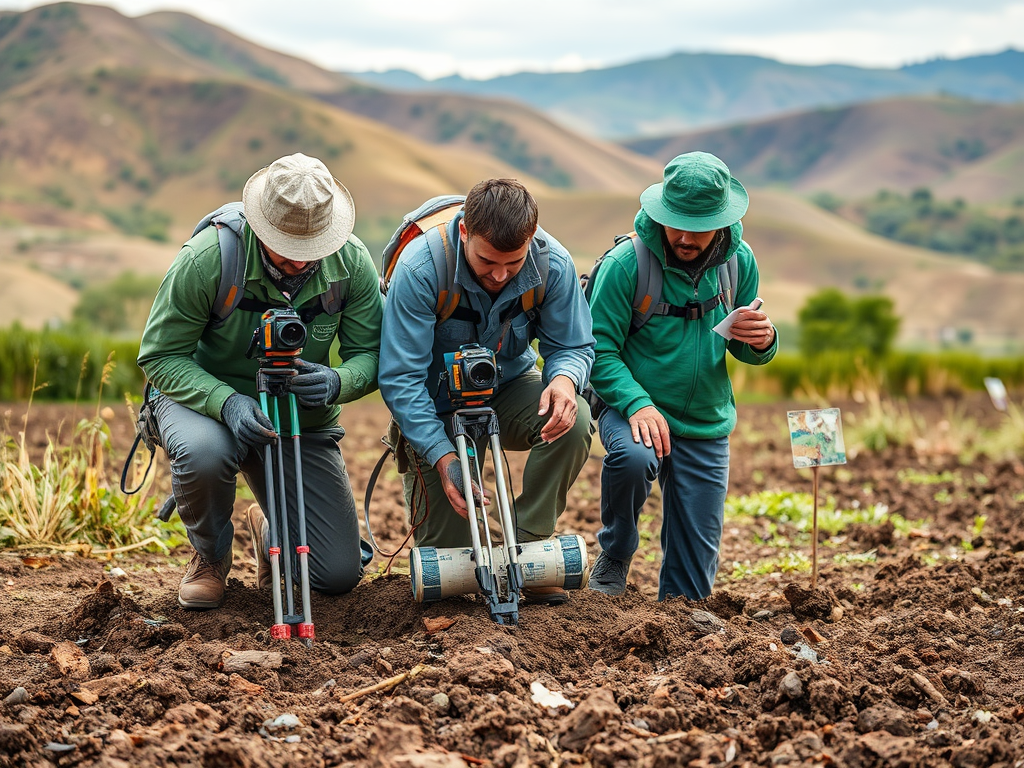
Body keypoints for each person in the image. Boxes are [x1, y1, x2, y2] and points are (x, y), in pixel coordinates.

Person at [138, 153, 382, 609]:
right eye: (284, 246)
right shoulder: (208, 259)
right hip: (202, 402)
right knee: (205, 452)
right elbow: (160, 355)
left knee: (336, 575)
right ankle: (209, 556)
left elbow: (371, 354)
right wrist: (225, 401)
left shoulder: (351, 265)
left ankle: (272, 529)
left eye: (310, 248)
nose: (297, 260)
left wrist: (337, 381)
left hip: (297, 417)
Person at [379, 179, 595, 605]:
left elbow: (572, 345)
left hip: (509, 387)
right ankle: (458, 538)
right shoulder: (421, 269)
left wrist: (565, 380)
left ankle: (526, 547)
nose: (499, 275)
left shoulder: (554, 264)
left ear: (530, 240)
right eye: (486, 261)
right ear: (464, 232)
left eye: (512, 264)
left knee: (576, 420)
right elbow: (401, 379)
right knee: (448, 580)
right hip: (435, 407)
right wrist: (442, 457)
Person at [586, 151, 777, 601]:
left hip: (706, 421)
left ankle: (678, 631)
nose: (686, 237)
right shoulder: (625, 265)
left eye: (699, 225)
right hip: (632, 406)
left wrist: (763, 342)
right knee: (634, 459)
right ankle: (616, 550)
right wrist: (637, 403)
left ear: (722, 219)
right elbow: (598, 352)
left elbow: (741, 346)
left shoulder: (739, 262)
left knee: (691, 598)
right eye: (677, 222)